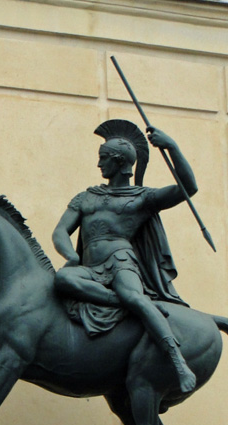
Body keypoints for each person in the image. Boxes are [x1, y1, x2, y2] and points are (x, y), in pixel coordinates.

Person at [52, 119, 197, 393]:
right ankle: (117, 301)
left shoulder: (142, 198)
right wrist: (70, 255)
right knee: (62, 279)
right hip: (88, 267)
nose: (99, 165)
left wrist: (173, 147)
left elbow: (188, 188)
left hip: (120, 262)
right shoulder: (86, 197)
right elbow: (60, 231)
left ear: (120, 162)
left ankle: (177, 360)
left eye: (103, 158)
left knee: (135, 298)